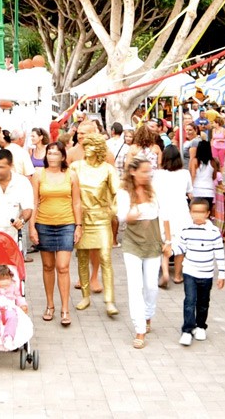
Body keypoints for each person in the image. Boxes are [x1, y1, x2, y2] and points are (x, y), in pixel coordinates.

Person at [117, 156, 170, 348]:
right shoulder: (124, 192)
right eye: (144, 171)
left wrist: (168, 241)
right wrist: (131, 215)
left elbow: (164, 216)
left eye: (150, 171)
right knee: (135, 286)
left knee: (151, 286)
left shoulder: (154, 191)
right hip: (132, 243)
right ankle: (139, 329)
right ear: (133, 172)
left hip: (153, 242)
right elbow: (121, 216)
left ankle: (148, 315)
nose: (148, 175)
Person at [31, 141, 82, 326]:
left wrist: (78, 225)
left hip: (66, 224)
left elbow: (77, 202)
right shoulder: (38, 175)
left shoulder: (71, 175)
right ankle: (50, 305)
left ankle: (65, 308)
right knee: (47, 266)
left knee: (63, 266)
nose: (52, 156)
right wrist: (31, 227)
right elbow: (34, 202)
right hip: (43, 223)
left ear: (62, 156)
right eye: (49, 153)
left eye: (56, 153)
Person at [71, 133, 120, 316]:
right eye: (86, 144)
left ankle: (110, 300)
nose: (87, 147)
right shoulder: (75, 167)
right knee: (82, 258)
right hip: (82, 220)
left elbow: (117, 193)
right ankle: (85, 296)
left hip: (101, 219)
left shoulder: (108, 169)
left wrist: (113, 211)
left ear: (98, 148)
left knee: (106, 258)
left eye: (92, 144)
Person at [173, 198, 225, 346]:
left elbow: (219, 253)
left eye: (201, 212)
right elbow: (181, 249)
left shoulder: (214, 232)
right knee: (189, 301)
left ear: (208, 213)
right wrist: (169, 251)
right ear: (190, 213)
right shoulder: (186, 230)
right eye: (194, 212)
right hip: (190, 272)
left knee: (203, 302)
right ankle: (187, 330)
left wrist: (221, 274)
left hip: (207, 274)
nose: (197, 215)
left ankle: (201, 326)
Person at [154, 145, 192, 286]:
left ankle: (164, 273)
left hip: (163, 211)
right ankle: (177, 275)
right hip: (181, 211)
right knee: (181, 244)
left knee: (164, 242)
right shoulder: (185, 173)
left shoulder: (158, 174)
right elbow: (189, 191)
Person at [190, 140, 218, 207]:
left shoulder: (194, 161)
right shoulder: (213, 161)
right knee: (208, 211)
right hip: (209, 190)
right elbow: (214, 176)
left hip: (196, 189)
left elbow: (193, 175)